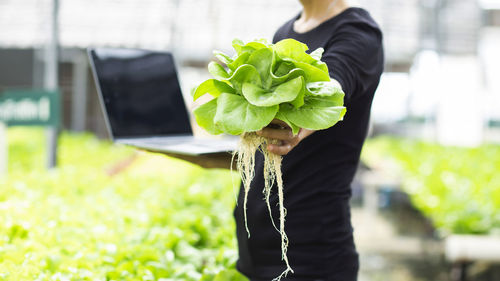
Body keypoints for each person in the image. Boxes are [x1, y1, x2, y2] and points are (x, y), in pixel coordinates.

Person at [233, 0, 384, 280]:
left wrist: (298, 127)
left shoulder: (358, 31)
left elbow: (332, 88)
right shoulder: (285, 32)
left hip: (311, 254)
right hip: (259, 250)